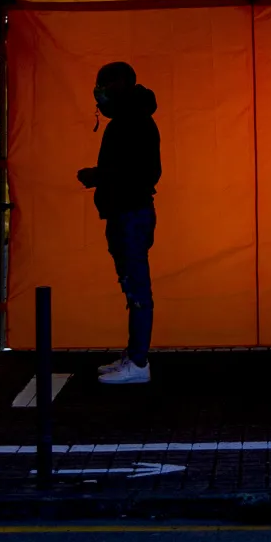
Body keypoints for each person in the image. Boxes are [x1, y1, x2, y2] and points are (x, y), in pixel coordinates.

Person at [78, 62, 161, 385]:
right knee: (131, 284)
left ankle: (138, 363)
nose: (98, 92)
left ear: (120, 86)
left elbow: (142, 172)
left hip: (131, 214)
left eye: (104, 85)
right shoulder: (128, 121)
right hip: (124, 213)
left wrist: (98, 176)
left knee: (138, 287)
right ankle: (134, 355)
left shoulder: (135, 123)